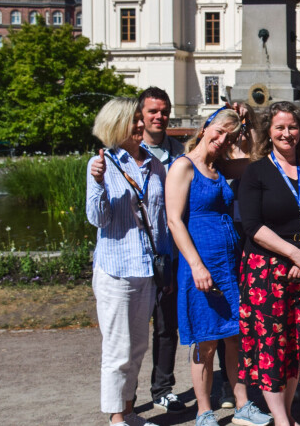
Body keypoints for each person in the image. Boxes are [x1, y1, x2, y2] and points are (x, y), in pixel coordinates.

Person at [165, 107, 271, 426]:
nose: (223, 139)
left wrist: (248, 124)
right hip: (201, 264)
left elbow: (256, 161)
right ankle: (204, 411)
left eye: (230, 135)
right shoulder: (183, 167)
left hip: (228, 264)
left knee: (235, 337)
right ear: (205, 127)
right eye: (219, 131)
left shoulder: (220, 167)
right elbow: (173, 220)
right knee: (206, 341)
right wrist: (196, 265)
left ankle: (242, 405)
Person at [237, 101, 300, 426]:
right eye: (280, 127)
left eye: (292, 127)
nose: (287, 133)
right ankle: (280, 418)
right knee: (272, 345)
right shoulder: (256, 171)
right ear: (269, 131)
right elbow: (252, 225)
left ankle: (288, 411)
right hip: (268, 272)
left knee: (296, 342)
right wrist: (295, 254)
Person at [87, 97, 167, 426]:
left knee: (137, 348)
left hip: (146, 267)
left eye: (139, 119)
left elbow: (160, 218)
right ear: (115, 125)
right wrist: (97, 183)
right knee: (118, 349)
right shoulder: (101, 163)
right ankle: (116, 417)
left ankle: (130, 410)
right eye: (133, 120)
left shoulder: (153, 163)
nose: (140, 125)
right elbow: (97, 218)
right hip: (116, 268)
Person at [136, 87, 188, 414]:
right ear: (140, 115)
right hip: (141, 252)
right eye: (153, 111)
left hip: (171, 253)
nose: (159, 117)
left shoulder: (180, 152)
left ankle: (162, 387)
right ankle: (125, 398)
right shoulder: (130, 152)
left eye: (164, 111)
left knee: (168, 326)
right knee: (134, 329)